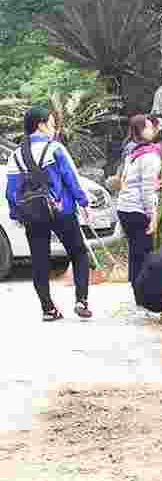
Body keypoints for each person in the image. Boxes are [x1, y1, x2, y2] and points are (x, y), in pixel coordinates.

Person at [5, 105, 92, 320]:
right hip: (61, 211)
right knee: (79, 253)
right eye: (53, 124)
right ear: (41, 125)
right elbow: (71, 179)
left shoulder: (15, 156)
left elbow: (11, 192)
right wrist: (83, 202)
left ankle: (48, 309)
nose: (54, 129)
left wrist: (18, 215)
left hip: (33, 215)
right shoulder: (55, 149)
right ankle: (81, 300)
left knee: (40, 261)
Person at [114, 114, 162, 288]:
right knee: (144, 253)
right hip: (137, 209)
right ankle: (143, 292)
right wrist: (152, 215)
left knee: (136, 252)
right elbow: (147, 189)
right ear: (141, 130)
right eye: (150, 127)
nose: (154, 130)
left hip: (125, 207)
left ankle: (136, 290)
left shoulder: (134, 151)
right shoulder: (149, 155)